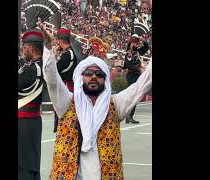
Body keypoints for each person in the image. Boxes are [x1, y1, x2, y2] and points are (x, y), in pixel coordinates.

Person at [37, 19, 152, 180]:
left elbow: (141, 85)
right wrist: (48, 48)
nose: (93, 77)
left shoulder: (115, 105)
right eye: (89, 73)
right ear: (80, 77)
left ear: (105, 79)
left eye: (99, 74)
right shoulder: (67, 103)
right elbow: (52, 80)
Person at [18, 28, 45, 180]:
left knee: (23, 165)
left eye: (24, 47)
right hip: (34, 121)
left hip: (23, 122)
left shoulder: (31, 69)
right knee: (32, 163)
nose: (23, 50)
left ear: (30, 47)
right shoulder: (41, 66)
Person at [52, 28, 78, 133]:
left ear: (60, 40)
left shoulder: (68, 54)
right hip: (68, 87)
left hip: (66, 87)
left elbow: (53, 70)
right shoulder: (70, 52)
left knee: (64, 119)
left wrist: (54, 54)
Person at [123, 33, 149, 124]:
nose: (137, 44)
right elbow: (129, 66)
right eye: (135, 43)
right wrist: (139, 68)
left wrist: (143, 40)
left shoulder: (137, 52)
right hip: (131, 76)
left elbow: (146, 48)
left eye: (137, 43)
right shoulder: (129, 53)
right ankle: (128, 115)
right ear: (131, 43)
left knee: (135, 97)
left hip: (137, 76)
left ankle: (129, 115)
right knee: (132, 97)